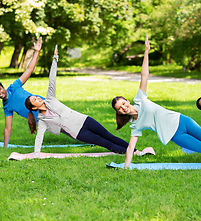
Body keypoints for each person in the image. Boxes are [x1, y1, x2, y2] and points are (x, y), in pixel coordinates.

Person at [112, 36, 201, 169]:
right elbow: (130, 147)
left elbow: (144, 75)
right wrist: (126, 166)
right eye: (120, 109)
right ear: (119, 112)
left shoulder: (139, 99)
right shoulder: (135, 124)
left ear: (127, 101)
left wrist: (146, 52)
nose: (123, 108)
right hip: (176, 134)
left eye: (123, 104)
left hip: (182, 120)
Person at [25, 46, 153, 158]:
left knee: (110, 137)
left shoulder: (50, 99)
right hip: (79, 133)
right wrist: (36, 154)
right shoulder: (42, 120)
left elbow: (52, 80)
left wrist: (55, 59)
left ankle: (135, 151)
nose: (38, 98)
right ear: (34, 108)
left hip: (85, 120)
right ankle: (133, 154)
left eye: (35, 96)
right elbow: (39, 138)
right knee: (106, 144)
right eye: (34, 100)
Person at [0, 37, 44, 148]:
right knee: (65, 129)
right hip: (40, 120)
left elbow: (29, 70)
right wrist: (5, 146)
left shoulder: (14, 87)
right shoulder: (6, 107)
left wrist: (37, 52)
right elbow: (7, 128)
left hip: (44, 105)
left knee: (68, 119)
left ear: (3, 87)